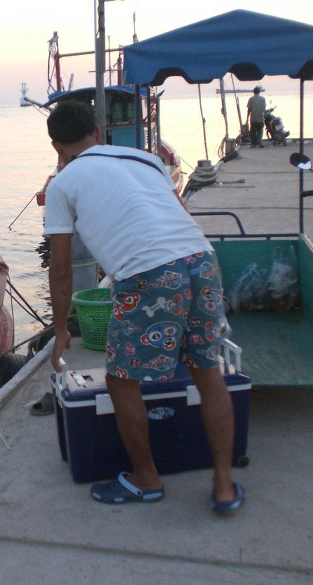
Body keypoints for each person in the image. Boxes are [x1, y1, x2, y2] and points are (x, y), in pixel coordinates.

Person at [44, 101, 244, 513]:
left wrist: (61, 330)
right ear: (98, 133)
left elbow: (61, 272)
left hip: (149, 275)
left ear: (56, 146)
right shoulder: (146, 158)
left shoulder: (61, 185)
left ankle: (146, 478)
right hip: (201, 259)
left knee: (121, 380)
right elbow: (178, 214)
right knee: (207, 373)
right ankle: (224, 485)